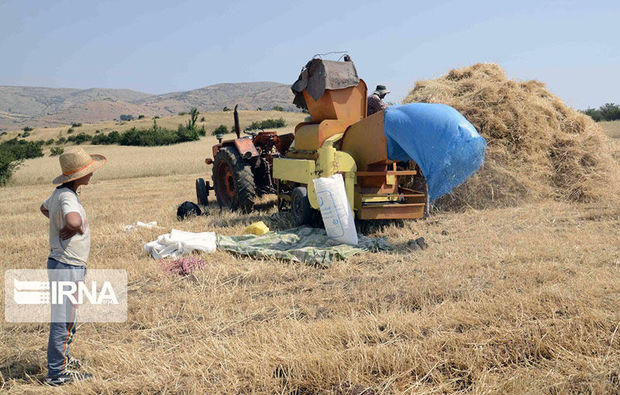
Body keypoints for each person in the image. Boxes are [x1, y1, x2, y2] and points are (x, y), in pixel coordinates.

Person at [40, 147, 106, 386]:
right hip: (67, 266)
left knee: (68, 318)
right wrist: (74, 226)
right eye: (88, 171)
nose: (91, 174)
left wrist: (58, 222)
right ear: (77, 177)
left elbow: (44, 208)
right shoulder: (68, 198)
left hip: (63, 263)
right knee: (63, 320)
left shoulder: (59, 194)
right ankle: (57, 374)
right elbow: (73, 219)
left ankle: (62, 361)